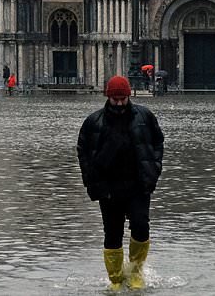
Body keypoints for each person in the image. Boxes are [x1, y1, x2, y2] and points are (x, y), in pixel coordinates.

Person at [77, 75, 164, 290]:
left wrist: (153, 171)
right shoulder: (93, 122)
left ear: (129, 95)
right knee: (112, 233)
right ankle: (115, 279)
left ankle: (135, 272)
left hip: (138, 185)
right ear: (108, 97)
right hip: (108, 188)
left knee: (141, 226)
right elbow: (83, 152)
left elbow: (158, 142)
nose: (119, 103)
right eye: (115, 99)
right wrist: (91, 181)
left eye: (123, 98)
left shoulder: (144, 116)